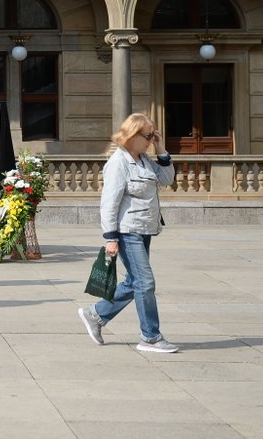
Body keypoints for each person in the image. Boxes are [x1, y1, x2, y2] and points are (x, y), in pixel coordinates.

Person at [78, 113, 179, 353]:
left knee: (135, 282)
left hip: (144, 229)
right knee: (145, 282)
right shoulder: (119, 162)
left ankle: (96, 314)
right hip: (127, 231)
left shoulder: (143, 159)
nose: (149, 141)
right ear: (132, 135)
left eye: (152, 136)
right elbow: (109, 202)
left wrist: (161, 147)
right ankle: (151, 337)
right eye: (147, 136)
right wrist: (110, 238)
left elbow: (167, 178)